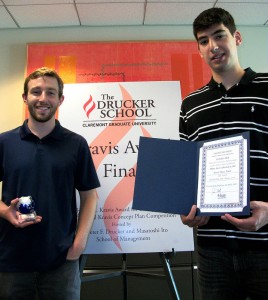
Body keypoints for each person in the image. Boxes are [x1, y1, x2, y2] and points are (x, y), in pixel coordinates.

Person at [179, 7, 268, 300]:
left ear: (237, 37)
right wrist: (186, 210)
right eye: (203, 41)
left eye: (220, 36)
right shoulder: (190, 105)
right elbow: (187, 174)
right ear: (199, 50)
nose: (213, 46)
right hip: (212, 249)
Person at [0, 67, 100, 300]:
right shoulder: (5, 142)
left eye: (50, 92)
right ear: (25, 98)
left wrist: (79, 244)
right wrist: (5, 211)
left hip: (61, 262)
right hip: (11, 260)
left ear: (60, 99)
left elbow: (89, 196)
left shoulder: (76, 144)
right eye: (36, 92)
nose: (43, 98)